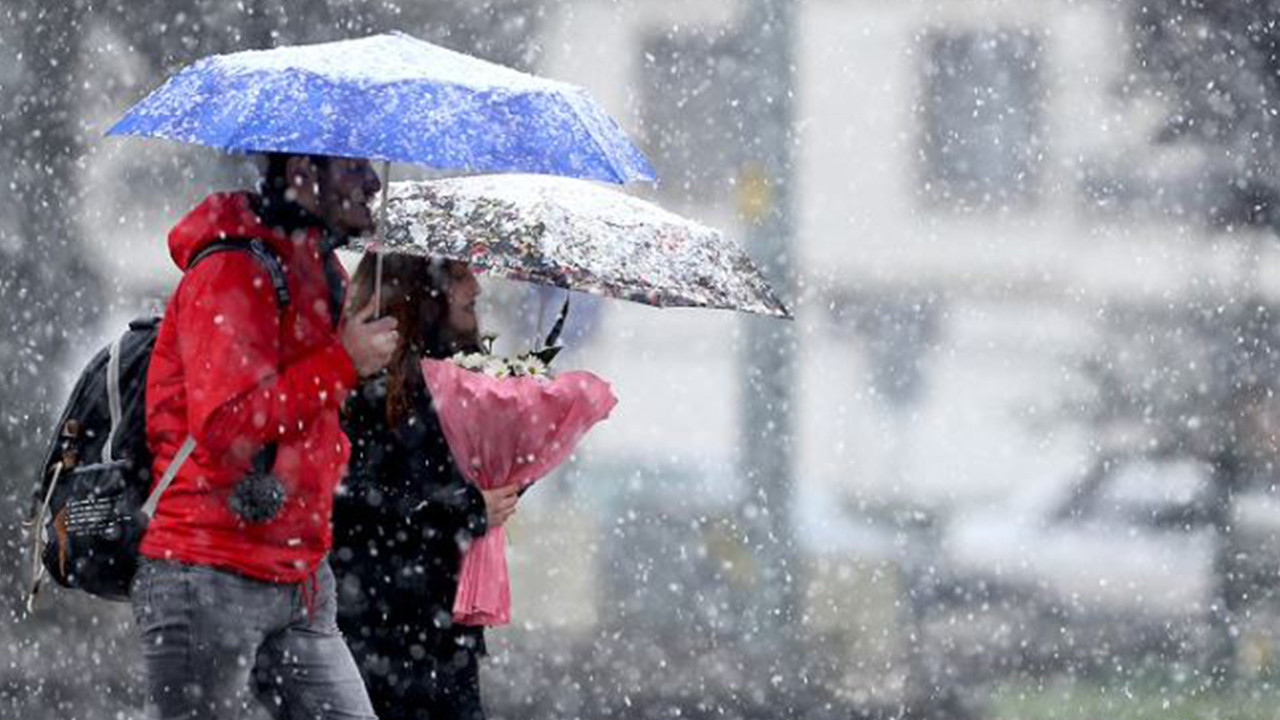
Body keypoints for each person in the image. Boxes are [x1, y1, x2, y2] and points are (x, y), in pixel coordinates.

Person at [134, 152, 399, 720]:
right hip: (207, 572)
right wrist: (344, 362)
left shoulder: (321, 269)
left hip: (300, 577)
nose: (373, 182)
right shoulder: (232, 268)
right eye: (354, 167)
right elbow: (226, 426)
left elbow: (318, 414)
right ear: (304, 168)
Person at [331, 253, 520, 720]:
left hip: (434, 630)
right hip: (376, 630)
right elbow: (350, 502)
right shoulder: (359, 387)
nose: (476, 296)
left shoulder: (454, 385)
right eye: (464, 292)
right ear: (427, 297)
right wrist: (466, 509)